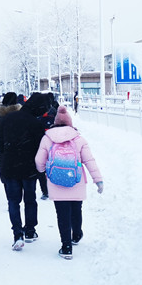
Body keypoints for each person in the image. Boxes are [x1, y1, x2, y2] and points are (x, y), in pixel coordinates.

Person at [35, 105, 104, 260]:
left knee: (62, 214)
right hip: (76, 181)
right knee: (76, 209)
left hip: (56, 182)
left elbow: (39, 161)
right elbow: (89, 160)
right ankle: (77, 234)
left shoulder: (47, 138)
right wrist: (98, 180)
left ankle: (66, 247)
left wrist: (42, 171)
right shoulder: (78, 138)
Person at [0, 92, 46, 250]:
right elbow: (40, 149)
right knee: (30, 200)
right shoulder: (36, 123)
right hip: (29, 167)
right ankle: (30, 230)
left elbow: (1, 145)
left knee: (13, 201)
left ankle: (17, 233)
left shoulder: (8, 119)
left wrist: (3, 165)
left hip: (10, 166)